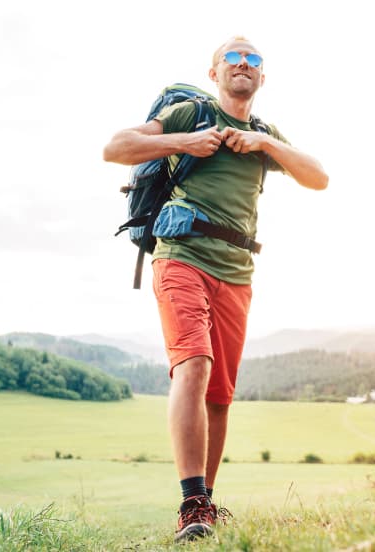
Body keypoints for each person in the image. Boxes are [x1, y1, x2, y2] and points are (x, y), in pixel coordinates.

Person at [102, 36, 328, 541]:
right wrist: (184, 142)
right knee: (195, 365)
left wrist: (266, 145)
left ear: (262, 78)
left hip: (237, 272)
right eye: (233, 57)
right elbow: (115, 148)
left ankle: (203, 508)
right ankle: (191, 503)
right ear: (215, 72)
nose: (243, 65)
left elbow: (319, 178)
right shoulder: (191, 114)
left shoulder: (266, 134)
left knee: (221, 397)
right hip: (181, 256)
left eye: (254, 60)